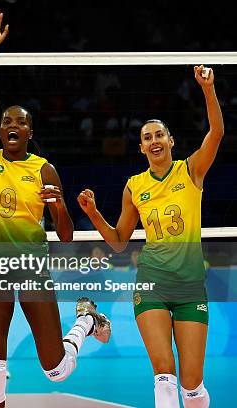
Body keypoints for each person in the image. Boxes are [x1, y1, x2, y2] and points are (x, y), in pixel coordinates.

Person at [0, 10, 111, 408]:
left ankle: (85, 322)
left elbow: (67, 235)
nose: (11, 126)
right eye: (5, 120)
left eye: (19, 123)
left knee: (54, 369)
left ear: (29, 133)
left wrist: (58, 208)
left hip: (32, 266)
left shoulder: (45, 170)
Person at [78, 65, 222, 408]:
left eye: (159, 135)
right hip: (152, 283)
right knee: (164, 374)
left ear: (170, 141)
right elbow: (118, 241)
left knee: (192, 384)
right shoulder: (135, 185)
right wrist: (94, 213)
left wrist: (207, 88)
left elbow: (216, 132)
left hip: (189, 286)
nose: (154, 141)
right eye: (147, 138)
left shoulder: (192, 170)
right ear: (142, 148)